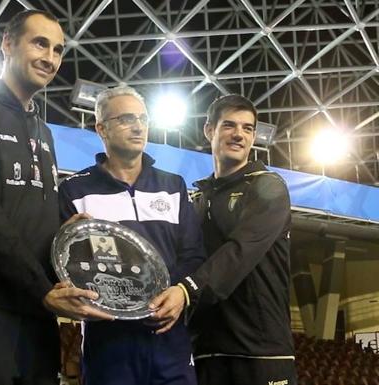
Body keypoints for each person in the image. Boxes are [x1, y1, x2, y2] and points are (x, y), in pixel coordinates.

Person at [0, 9, 109, 385]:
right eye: (40, 43)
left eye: (57, 50)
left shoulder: (43, 130)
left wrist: (62, 233)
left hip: (39, 310)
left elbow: (32, 214)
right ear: (7, 44)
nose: (50, 58)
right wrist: (43, 290)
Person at [58, 86, 206, 385]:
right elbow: (66, 267)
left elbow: (193, 255)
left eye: (143, 118)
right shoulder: (74, 190)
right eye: (126, 119)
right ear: (101, 128)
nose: (138, 126)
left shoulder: (173, 185)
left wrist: (176, 294)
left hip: (168, 334)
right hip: (109, 341)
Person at [175, 95, 297, 384]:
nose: (239, 134)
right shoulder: (198, 198)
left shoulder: (268, 187)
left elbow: (240, 252)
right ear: (209, 131)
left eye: (247, 128)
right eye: (229, 125)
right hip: (206, 350)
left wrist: (185, 291)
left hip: (260, 352)